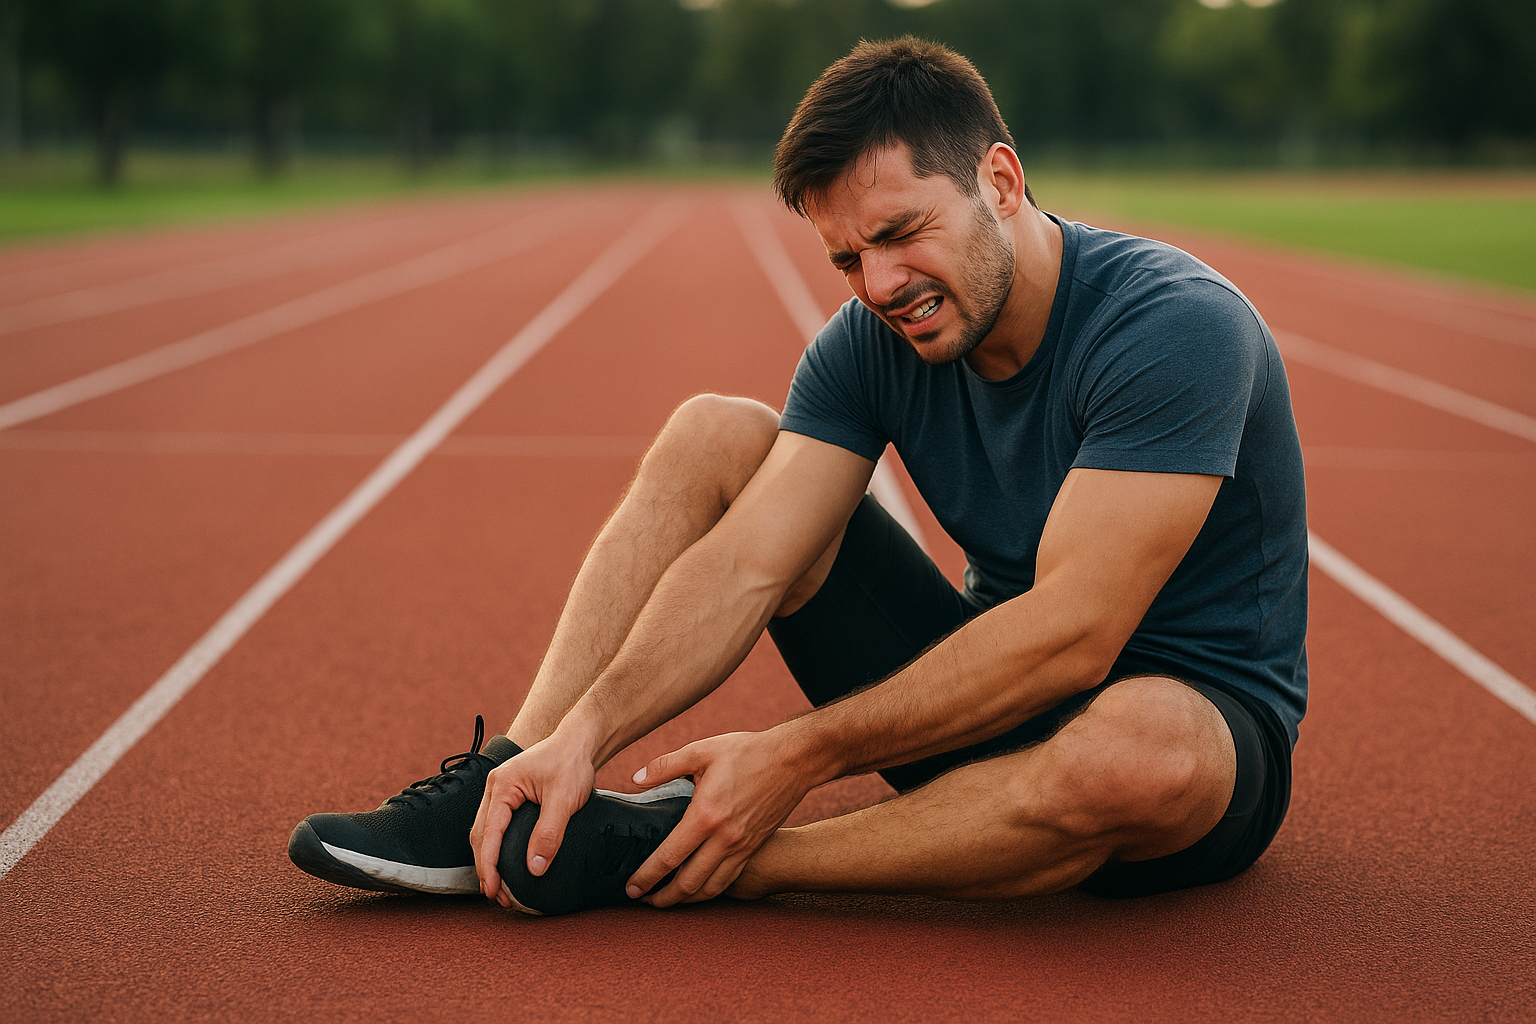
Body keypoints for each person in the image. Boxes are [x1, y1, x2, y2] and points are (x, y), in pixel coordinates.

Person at [289, 37, 1307, 914]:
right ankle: (517, 779)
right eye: (846, 260)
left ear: (1000, 181)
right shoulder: (872, 339)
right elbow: (745, 564)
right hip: (981, 713)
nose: (881, 287)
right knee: (715, 434)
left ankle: (700, 857)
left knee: (1139, 748)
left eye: (902, 232)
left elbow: (1075, 638)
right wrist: (589, 732)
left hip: (1187, 757)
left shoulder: (1172, 326)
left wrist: (794, 756)